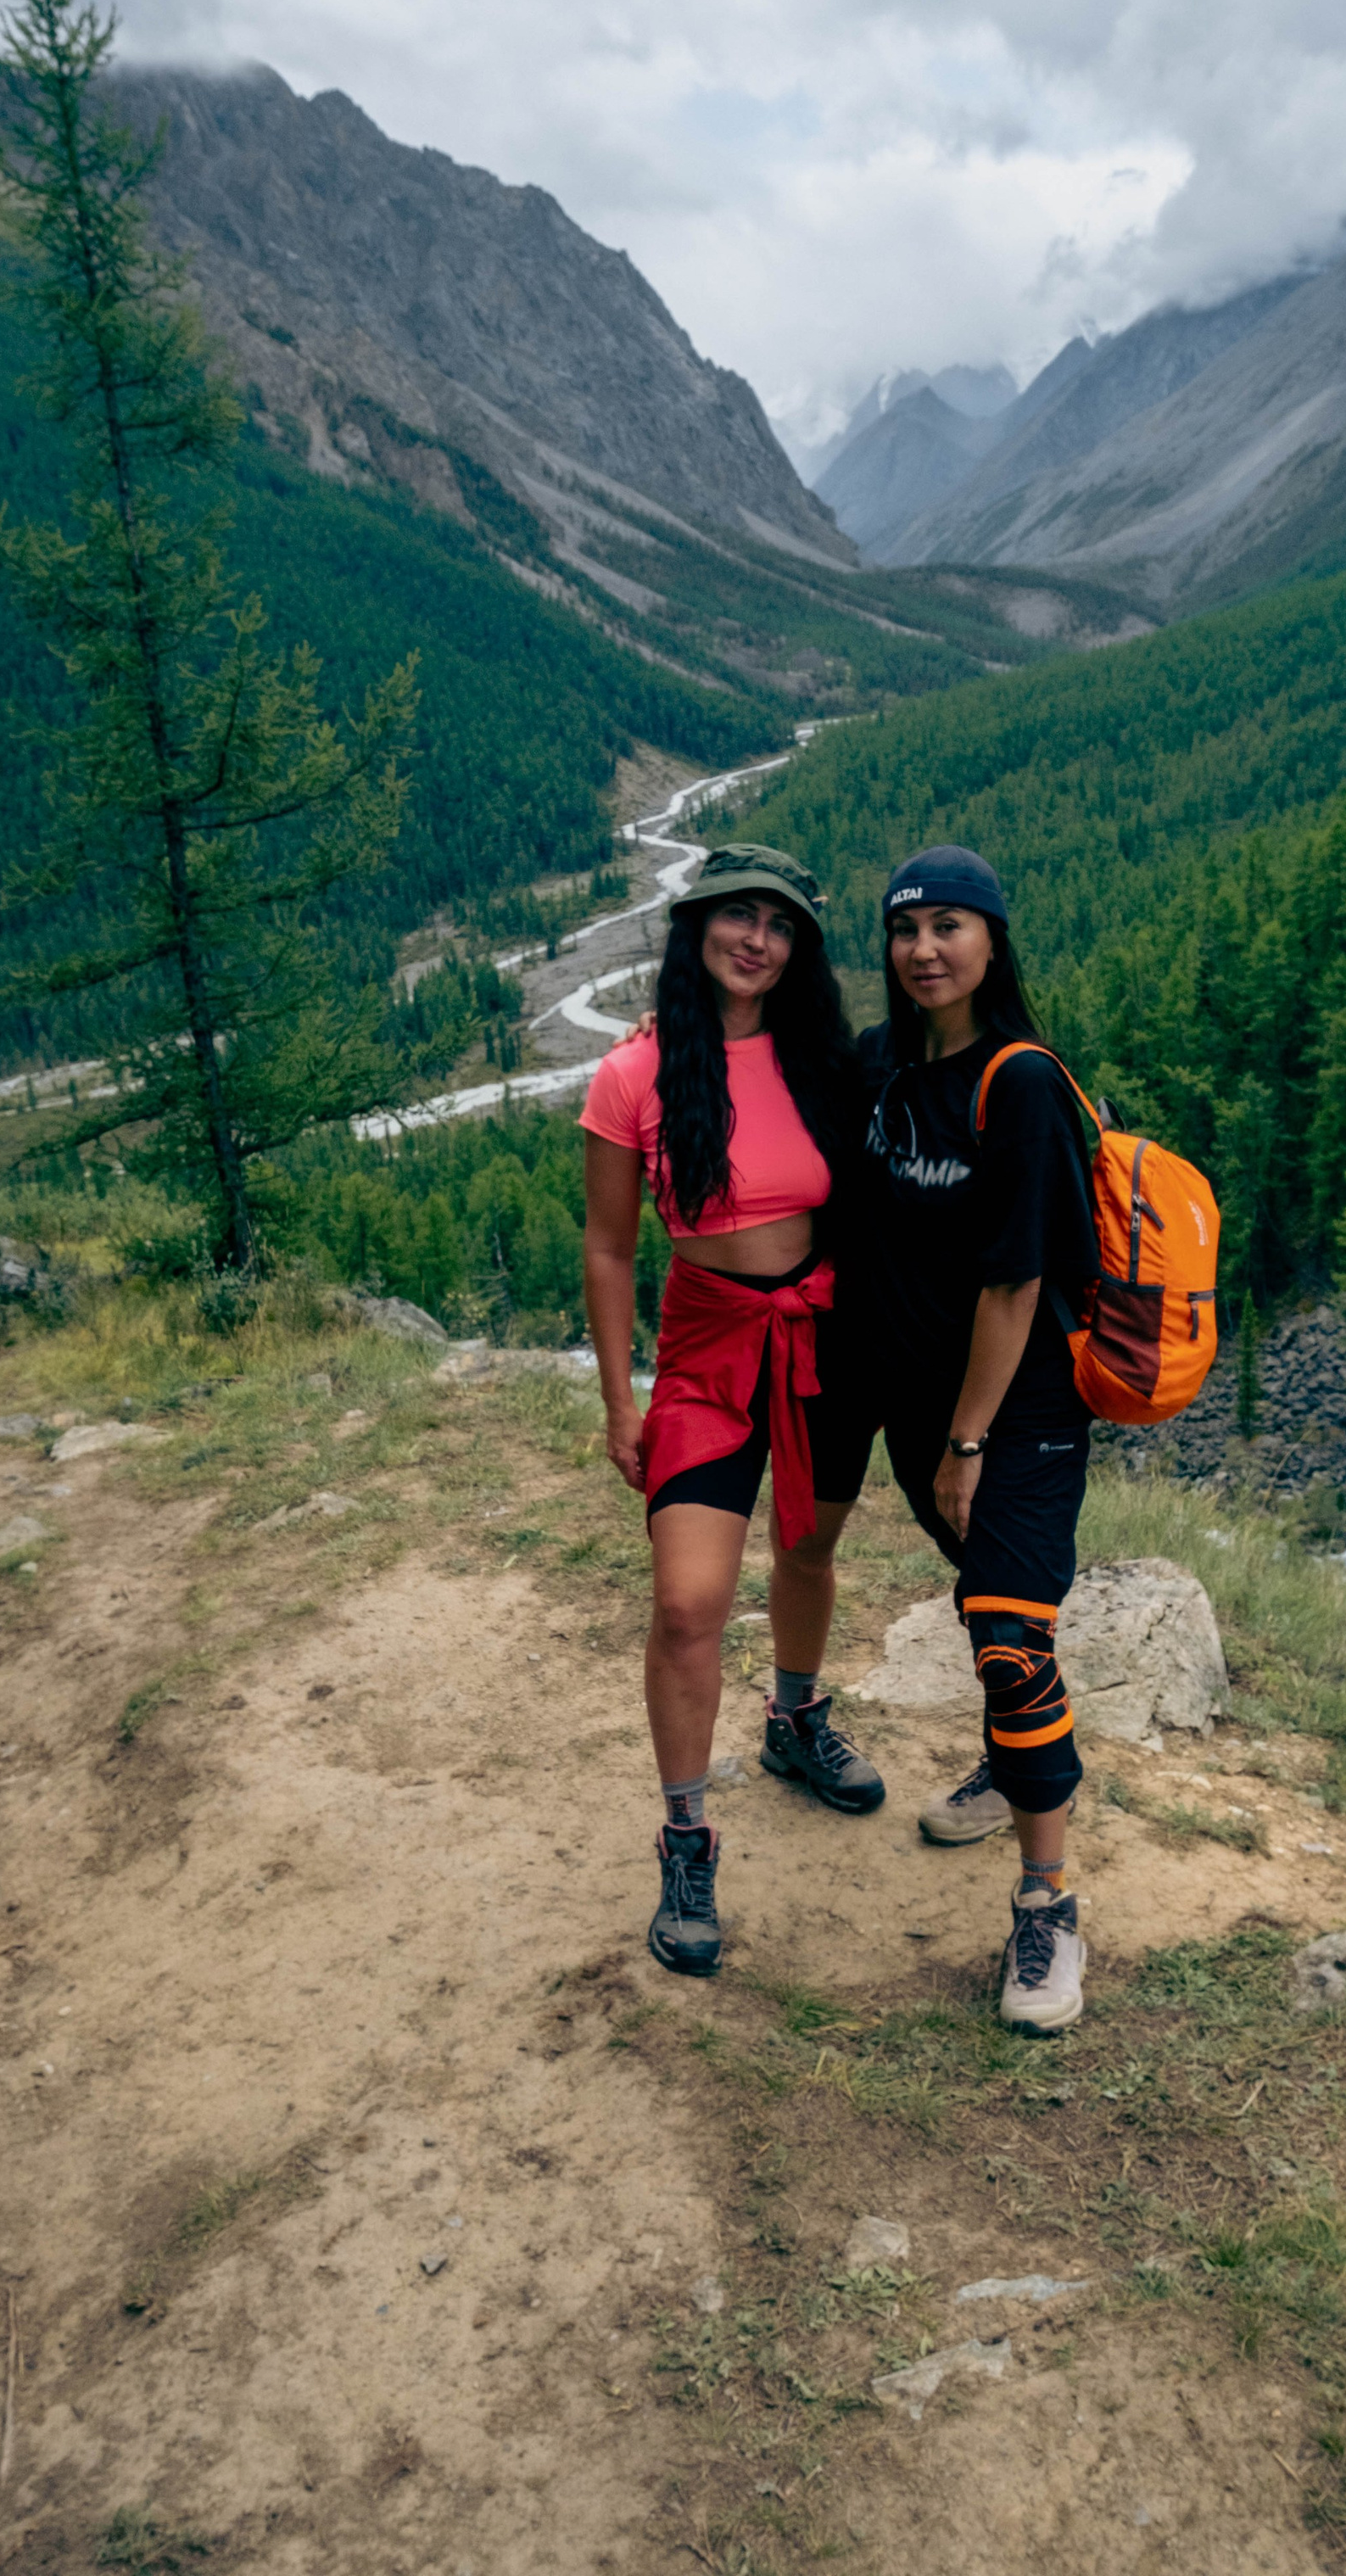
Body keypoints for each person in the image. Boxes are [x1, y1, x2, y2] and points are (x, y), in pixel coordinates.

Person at [581, 844, 883, 1979]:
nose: (755, 938)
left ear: (798, 948)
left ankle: (795, 1722)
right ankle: (687, 1835)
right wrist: (621, 1405)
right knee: (689, 1602)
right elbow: (611, 1248)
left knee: (807, 1550)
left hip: (821, 1337)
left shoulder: (823, 1062)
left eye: (779, 923)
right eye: (735, 916)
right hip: (708, 1352)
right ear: (695, 925)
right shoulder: (635, 1075)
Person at [852, 845, 1102, 2034]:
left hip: (1018, 1416)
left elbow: (1014, 1284)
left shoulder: (1024, 1084)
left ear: (993, 941)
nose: (924, 950)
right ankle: (1013, 1769)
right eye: (905, 930)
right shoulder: (888, 1072)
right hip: (924, 1414)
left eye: (950, 925)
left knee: (1007, 1636)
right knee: (993, 1612)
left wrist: (966, 1444)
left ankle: (1047, 1904)